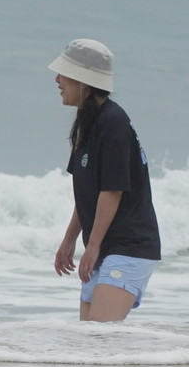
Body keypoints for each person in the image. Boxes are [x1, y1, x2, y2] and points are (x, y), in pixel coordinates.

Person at [50, 39, 160, 321]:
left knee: (99, 339)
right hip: (106, 247)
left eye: (64, 73)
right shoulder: (87, 121)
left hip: (129, 246)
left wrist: (93, 245)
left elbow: (112, 191)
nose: (57, 80)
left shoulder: (113, 123)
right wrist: (70, 239)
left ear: (84, 81)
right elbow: (87, 193)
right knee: (89, 340)